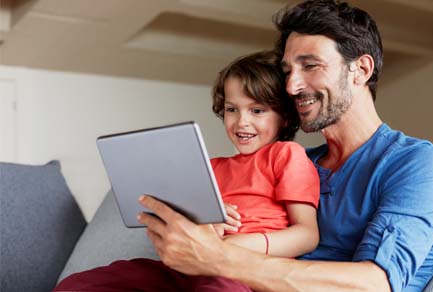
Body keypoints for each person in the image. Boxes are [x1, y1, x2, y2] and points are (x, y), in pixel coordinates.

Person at [136, 1, 433, 292]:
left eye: (310, 66)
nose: (291, 86)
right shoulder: (295, 162)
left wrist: (218, 257)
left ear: (361, 69)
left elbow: (374, 284)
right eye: (288, 71)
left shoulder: (411, 162)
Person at [54, 51, 321, 291]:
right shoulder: (211, 167)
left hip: (243, 269)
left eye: (257, 110)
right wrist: (207, 225)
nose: (242, 121)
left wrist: (237, 247)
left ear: (285, 116)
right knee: (79, 284)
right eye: (232, 109)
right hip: (189, 267)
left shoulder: (286, 155)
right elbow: (188, 232)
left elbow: (307, 235)